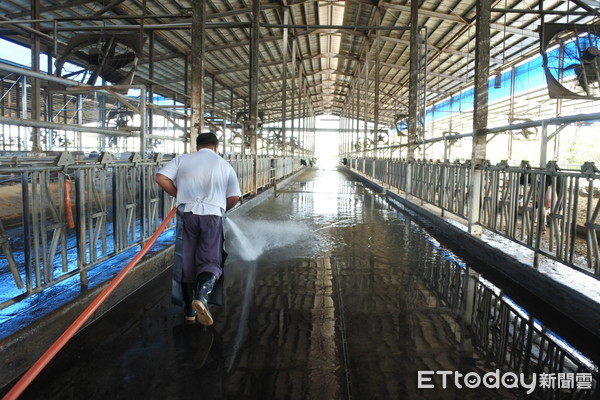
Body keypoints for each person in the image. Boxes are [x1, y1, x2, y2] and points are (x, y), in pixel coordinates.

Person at [155, 132, 241, 326]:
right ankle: (201, 296)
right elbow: (234, 197)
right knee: (211, 260)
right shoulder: (224, 165)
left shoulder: (183, 160)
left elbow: (160, 178)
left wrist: (179, 196)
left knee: (187, 261)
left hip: (188, 215)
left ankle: (189, 312)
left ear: (197, 146)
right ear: (216, 147)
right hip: (212, 217)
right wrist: (220, 209)